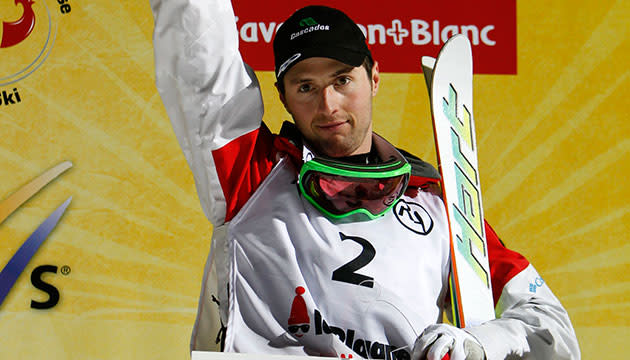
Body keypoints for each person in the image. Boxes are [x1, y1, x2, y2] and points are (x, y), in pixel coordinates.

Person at [149, 1, 580, 359]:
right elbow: (198, 47)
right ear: (282, 96)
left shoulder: (439, 204)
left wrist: (479, 344)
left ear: (374, 79)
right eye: (305, 87)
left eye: (342, 80)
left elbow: (551, 329)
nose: (328, 104)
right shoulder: (249, 174)